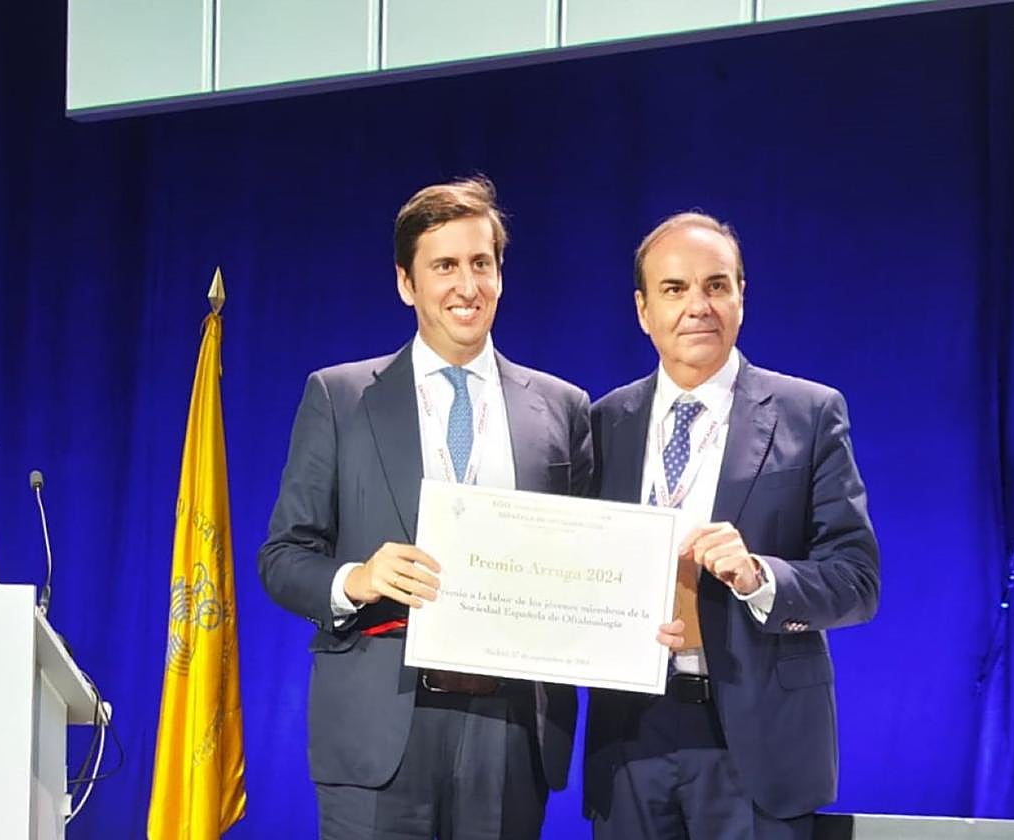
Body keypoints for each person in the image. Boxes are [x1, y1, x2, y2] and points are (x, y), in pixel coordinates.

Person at [259, 176, 592, 839]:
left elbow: (586, 560)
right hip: (380, 730)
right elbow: (282, 557)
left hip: (509, 730)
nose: (467, 286)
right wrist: (356, 579)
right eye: (444, 266)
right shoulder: (340, 397)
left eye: (482, 264)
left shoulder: (563, 407)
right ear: (407, 284)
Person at [583, 212, 880, 839]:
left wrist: (758, 577)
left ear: (741, 297)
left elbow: (857, 582)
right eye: (675, 289)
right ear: (642, 310)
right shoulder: (604, 422)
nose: (698, 305)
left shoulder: (809, 413)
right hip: (631, 737)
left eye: (716, 285)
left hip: (758, 739)